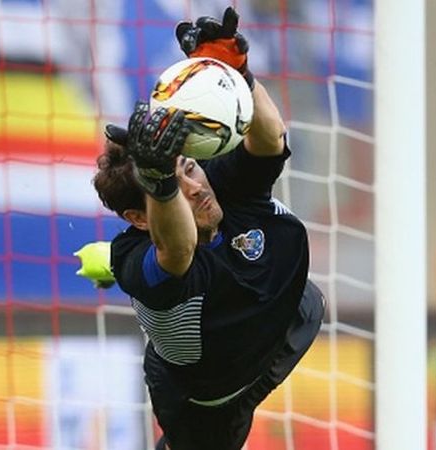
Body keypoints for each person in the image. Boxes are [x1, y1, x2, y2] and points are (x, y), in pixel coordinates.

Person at [84, 8, 324, 450]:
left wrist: (237, 73)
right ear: (140, 218)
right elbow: (177, 252)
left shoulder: (214, 182)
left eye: (190, 167)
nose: (196, 187)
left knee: (308, 302)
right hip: (206, 402)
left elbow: (270, 140)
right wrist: (160, 181)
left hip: (289, 316)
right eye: (175, 185)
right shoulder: (136, 257)